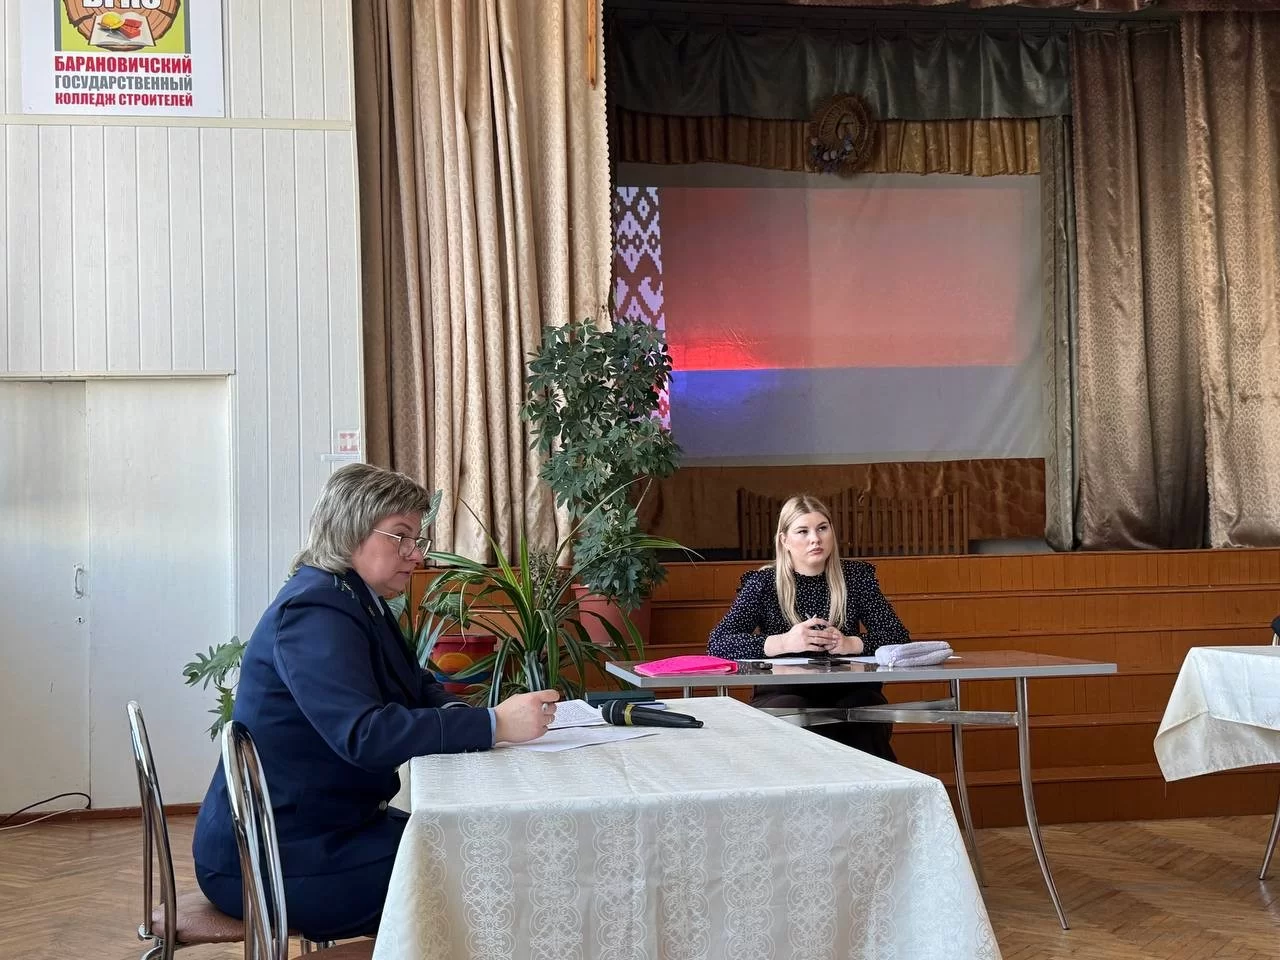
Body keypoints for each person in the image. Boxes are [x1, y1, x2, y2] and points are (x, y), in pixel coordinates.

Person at [192, 463, 560, 941]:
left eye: (416, 539)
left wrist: (460, 715)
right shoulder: (314, 610)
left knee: (477, 844)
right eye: (401, 537)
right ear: (351, 530)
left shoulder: (353, 597)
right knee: (483, 871)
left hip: (324, 830)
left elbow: (414, 683)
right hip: (272, 856)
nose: (416, 554)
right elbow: (365, 735)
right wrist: (494, 724)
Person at [708, 493, 910, 759]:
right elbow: (718, 643)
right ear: (784, 540)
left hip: (851, 687)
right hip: (783, 691)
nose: (815, 539)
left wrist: (851, 643)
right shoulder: (764, 583)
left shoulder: (856, 578)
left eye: (822, 528)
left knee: (862, 711)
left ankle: (873, 786)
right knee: (791, 711)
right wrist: (784, 642)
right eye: (803, 531)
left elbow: (898, 637)